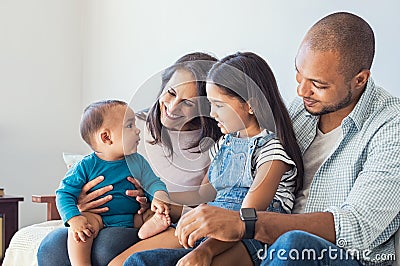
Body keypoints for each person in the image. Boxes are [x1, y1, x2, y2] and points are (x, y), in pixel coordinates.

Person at [126, 12, 400, 266]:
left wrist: (246, 223)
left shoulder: (390, 126)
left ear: (360, 79)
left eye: (318, 84)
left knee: (291, 244)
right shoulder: (299, 112)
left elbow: (356, 226)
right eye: (299, 74)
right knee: (142, 262)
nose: (302, 90)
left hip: (335, 255)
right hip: (265, 243)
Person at [109, 51, 304, 266]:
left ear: (250, 105)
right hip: (208, 226)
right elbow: (203, 195)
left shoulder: (272, 154)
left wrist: (204, 251)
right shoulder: (223, 145)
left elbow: (246, 219)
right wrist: (161, 199)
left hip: (247, 240)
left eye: (218, 105)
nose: (211, 113)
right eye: (210, 104)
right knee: (136, 261)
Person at [36, 52, 222, 266]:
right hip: (103, 214)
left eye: (187, 103)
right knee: (52, 246)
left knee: (106, 245)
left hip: (154, 220)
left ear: (205, 105)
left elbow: (208, 204)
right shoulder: (130, 123)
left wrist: (158, 202)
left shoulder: (215, 146)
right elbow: (79, 180)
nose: (172, 108)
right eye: (170, 93)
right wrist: (79, 205)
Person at [56, 100, 171, 265]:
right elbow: (64, 193)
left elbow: (153, 183)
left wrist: (159, 197)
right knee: (81, 230)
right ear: (106, 137)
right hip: (99, 218)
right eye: (130, 126)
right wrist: (74, 219)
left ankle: (148, 229)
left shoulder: (137, 161)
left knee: (153, 215)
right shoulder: (86, 165)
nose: (138, 130)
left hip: (134, 217)